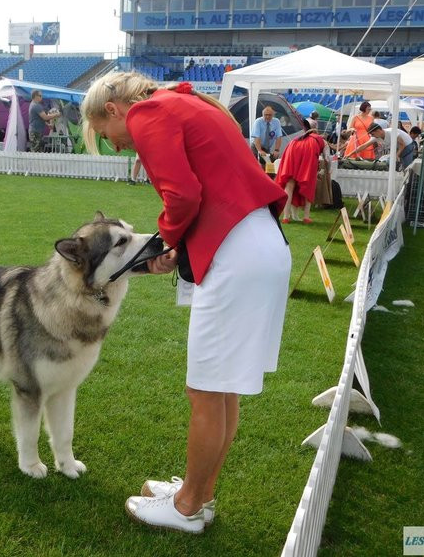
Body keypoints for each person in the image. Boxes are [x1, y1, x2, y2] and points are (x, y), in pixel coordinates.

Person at [81, 72, 291, 534]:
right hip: (257, 244)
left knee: (205, 389)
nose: (115, 146)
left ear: (113, 110)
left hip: (237, 254)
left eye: (105, 134)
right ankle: (198, 494)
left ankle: (188, 506)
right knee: (221, 387)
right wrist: (172, 244)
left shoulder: (150, 112)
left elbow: (183, 195)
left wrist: (166, 242)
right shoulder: (185, 104)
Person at [275, 120, 328, 224]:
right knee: (308, 184)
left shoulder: (298, 138)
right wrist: (326, 170)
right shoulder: (321, 140)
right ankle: (306, 217)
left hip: (293, 148)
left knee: (289, 185)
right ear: (316, 132)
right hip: (309, 152)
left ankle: (286, 217)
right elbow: (327, 158)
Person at [344, 122, 417, 170]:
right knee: (391, 163)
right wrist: (349, 154)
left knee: (406, 167)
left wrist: (397, 155)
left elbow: (402, 144)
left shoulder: (391, 132)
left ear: (379, 131)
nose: (372, 136)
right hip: (397, 147)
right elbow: (363, 146)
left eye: (372, 134)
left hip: (407, 145)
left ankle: (407, 185)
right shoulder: (375, 137)